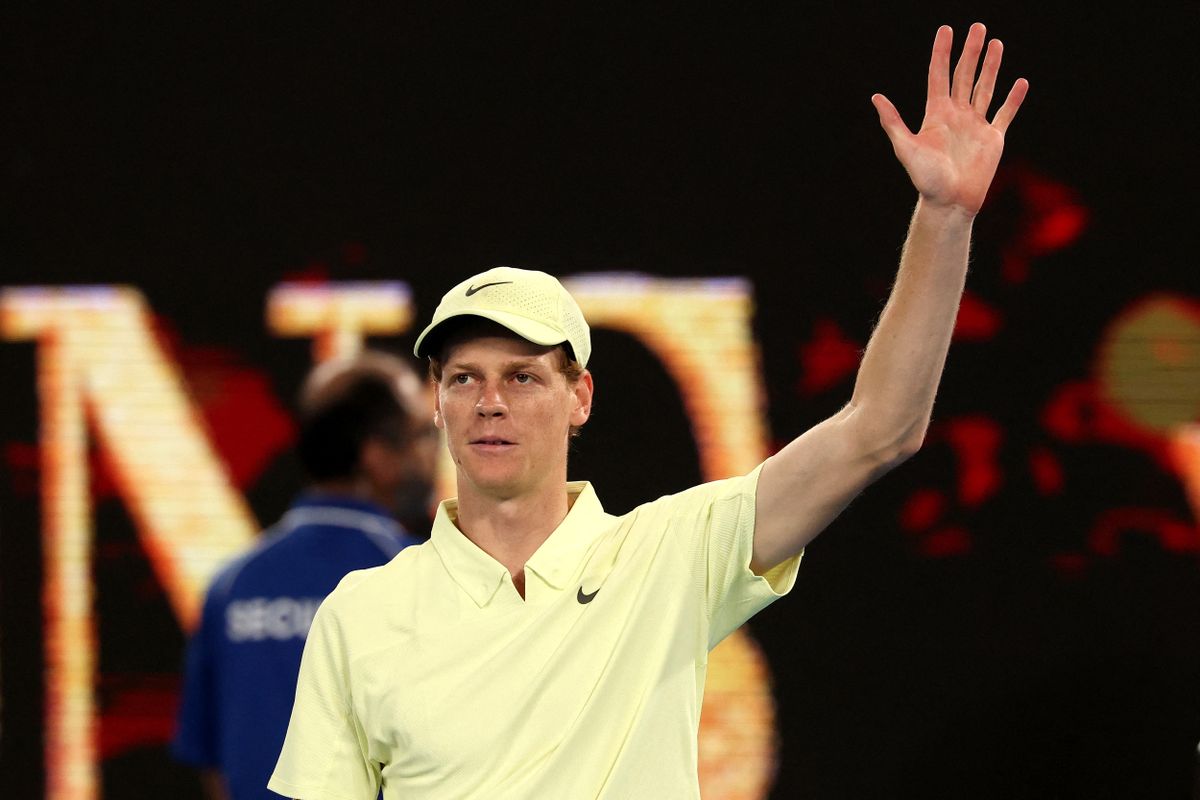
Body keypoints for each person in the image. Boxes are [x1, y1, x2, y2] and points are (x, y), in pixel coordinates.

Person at [269, 22, 1028, 799]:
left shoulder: (665, 558)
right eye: (464, 378)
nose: (490, 402)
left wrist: (943, 218)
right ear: (436, 401)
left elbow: (879, 431)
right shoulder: (361, 616)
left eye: (523, 378)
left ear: (580, 398)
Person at [173, 350, 438, 800]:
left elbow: (215, 765)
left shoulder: (232, 587)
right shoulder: (425, 578)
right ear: (376, 455)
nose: (432, 456)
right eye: (420, 436)